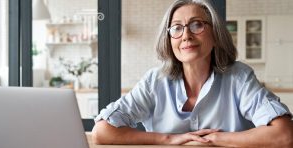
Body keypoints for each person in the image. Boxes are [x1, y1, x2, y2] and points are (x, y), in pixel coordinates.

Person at [92, 0, 293, 147]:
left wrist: (213, 138)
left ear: (215, 35)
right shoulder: (155, 81)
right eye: (176, 28)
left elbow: (284, 135)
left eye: (197, 25)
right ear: (169, 40)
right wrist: (170, 139)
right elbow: (102, 132)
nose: (186, 35)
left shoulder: (239, 77)